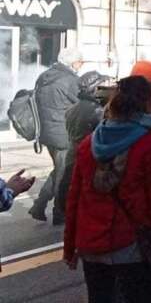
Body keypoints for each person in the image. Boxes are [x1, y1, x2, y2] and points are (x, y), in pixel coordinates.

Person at [63, 76, 151, 303]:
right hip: (131, 246)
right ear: (148, 102)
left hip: (91, 244)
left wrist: (70, 246)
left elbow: (75, 199)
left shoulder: (88, 144)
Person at [29, 47, 83, 225]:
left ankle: (39, 205)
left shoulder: (45, 76)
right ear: (73, 62)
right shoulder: (69, 80)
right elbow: (82, 102)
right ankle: (58, 212)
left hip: (47, 132)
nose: (81, 64)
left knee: (59, 169)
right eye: (80, 61)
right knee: (64, 173)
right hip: (63, 134)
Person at [56, 71, 111, 217]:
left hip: (73, 154)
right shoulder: (97, 111)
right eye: (101, 87)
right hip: (89, 158)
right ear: (94, 89)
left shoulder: (72, 109)